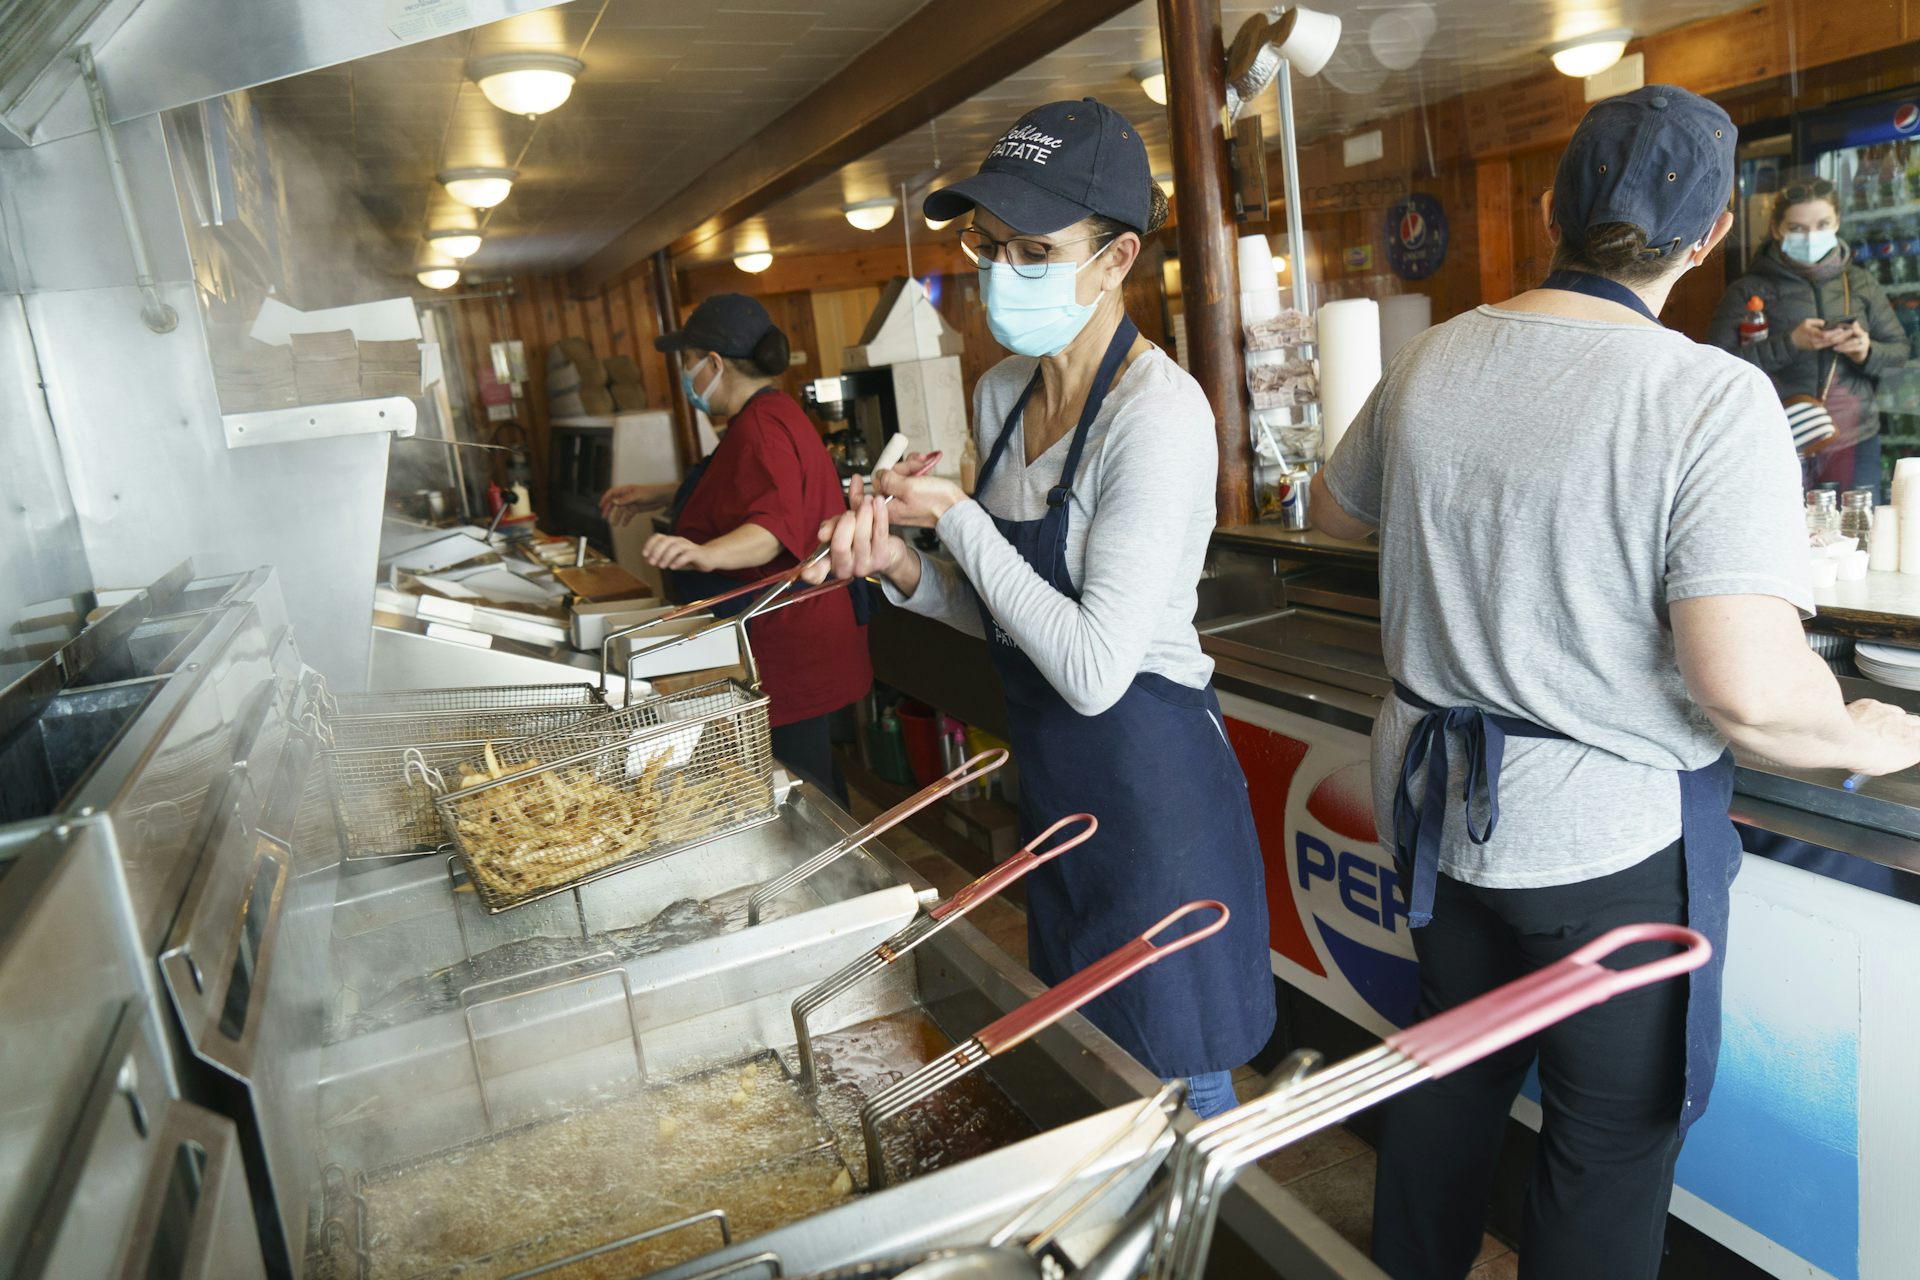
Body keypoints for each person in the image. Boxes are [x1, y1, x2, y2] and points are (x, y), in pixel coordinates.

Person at [1308, 86, 1920, 1280]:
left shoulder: (1436, 354)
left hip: (1436, 810)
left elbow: (1338, 513)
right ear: (1704, 242)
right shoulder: (1706, 394)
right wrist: (1859, 727)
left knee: (1447, 1070)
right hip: (1602, 836)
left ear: (1550, 208)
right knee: (1607, 1139)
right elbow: (1742, 687)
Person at [800, 99, 1275, 1119]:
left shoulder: (1157, 413)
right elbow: (1015, 623)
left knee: (1179, 1091)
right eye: (989, 246)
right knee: (1094, 1080)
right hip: (1062, 794)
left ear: (1116, 259)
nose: (1000, 271)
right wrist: (908, 573)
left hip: (1155, 803)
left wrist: (961, 517)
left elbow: (1097, 664)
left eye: (1034, 248)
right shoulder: (999, 395)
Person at [601, 294, 870, 804]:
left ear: (714, 364)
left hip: (786, 643)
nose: (686, 375)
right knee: (804, 780)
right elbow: (738, 491)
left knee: (802, 791)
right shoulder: (767, 413)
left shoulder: (761, 427)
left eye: (687, 363)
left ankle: (838, 877)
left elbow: (770, 532)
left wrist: (704, 554)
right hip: (788, 638)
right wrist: (656, 494)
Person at [1708, 177, 1910, 494]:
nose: (1811, 236)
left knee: (1856, 532)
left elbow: (1899, 353)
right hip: (1776, 439)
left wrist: (1866, 352)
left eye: (1822, 224)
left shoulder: (1861, 283)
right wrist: (1790, 344)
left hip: (1854, 439)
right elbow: (1715, 368)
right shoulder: (1747, 290)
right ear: (1777, 229)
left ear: (1837, 222)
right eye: (1797, 228)